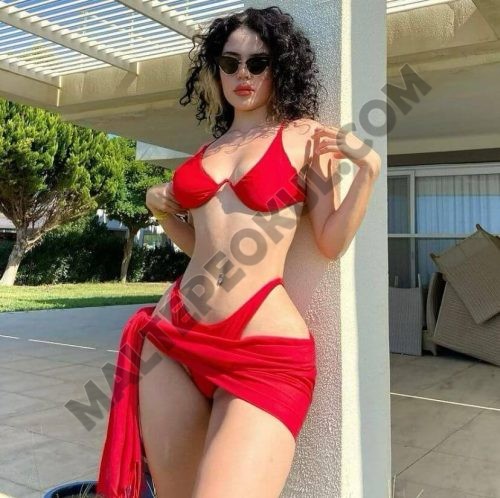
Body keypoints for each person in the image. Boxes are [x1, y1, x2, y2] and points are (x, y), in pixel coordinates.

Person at [96, 6, 381, 498]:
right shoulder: (209, 152)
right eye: (230, 63)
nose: (242, 74)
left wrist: (369, 171)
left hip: (261, 351)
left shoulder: (305, 138)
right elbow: (203, 249)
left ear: (279, 67)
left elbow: (330, 242)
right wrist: (161, 210)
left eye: (257, 62)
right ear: (217, 71)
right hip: (173, 340)